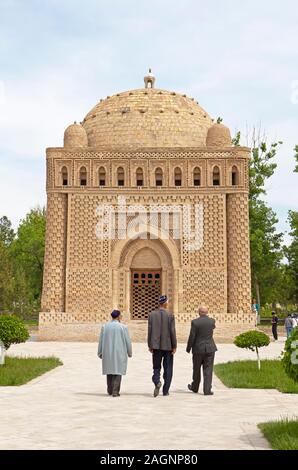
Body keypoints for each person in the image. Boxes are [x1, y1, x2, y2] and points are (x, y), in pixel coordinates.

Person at [147, 295, 177, 397]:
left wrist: (150, 344)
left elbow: (150, 331)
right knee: (168, 368)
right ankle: (165, 390)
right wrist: (174, 346)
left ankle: (156, 381)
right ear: (165, 303)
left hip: (155, 346)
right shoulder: (170, 315)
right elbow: (172, 332)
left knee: (156, 366)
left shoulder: (151, 315)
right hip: (168, 346)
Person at [98, 309, 132, 397]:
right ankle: (115, 391)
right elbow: (128, 341)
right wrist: (129, 352)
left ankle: (110, 390)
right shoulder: (123, 327)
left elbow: (101, 341)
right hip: (119, 352)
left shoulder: (105, 327)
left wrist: (100, 352)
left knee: (109, 370)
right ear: (118, 316)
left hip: (108, 352)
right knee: (118, 371)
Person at [186, 306, 217, 396]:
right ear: (207, 312)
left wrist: (188, 348)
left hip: (198, 349)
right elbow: (212, 328)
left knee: (196, 368)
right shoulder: (212, 321)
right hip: (210, 348)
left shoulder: (195, 322)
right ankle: (207, 390)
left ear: (199, 312)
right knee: (208, 369)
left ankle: (195, 387)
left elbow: (192, 336)